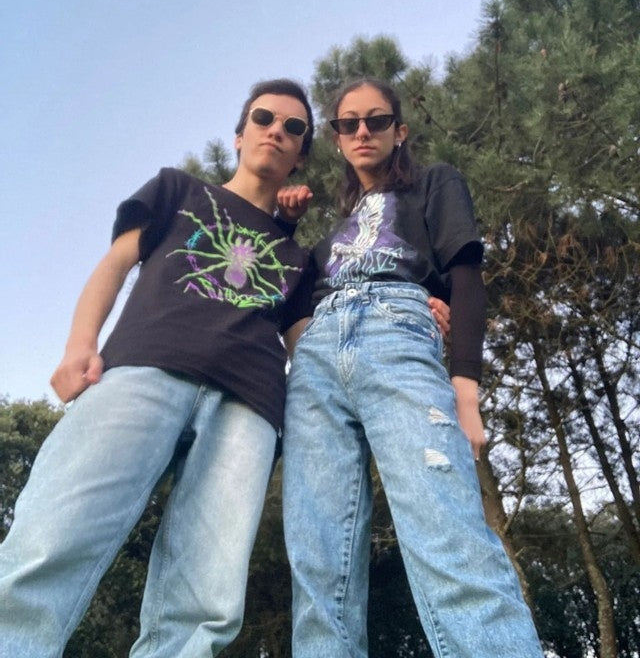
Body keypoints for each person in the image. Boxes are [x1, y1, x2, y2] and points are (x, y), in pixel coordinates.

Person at [0, 79, 316, 658]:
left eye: (294, 127)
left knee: (204, 600)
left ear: (300, 155)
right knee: (51, 537)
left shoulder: (298, 256)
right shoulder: (177, 189)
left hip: (250, 405)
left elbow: (306, 346)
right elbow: (117, 262)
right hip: (143, 369)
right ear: (239, 134)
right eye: (264, 117)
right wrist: (79, 344)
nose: (276, 130)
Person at [278, 78, 544, 658]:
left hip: (395, 327)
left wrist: (465, 393)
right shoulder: (329, 239)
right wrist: (288, 226)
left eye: (376, 120)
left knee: (446, 531)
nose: (362, 131)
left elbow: (466, 275)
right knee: (318, 564)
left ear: (399, 131)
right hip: (316, 360)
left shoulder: (434, 183)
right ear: (337, 138)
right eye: (348, 123)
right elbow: (286, 296)